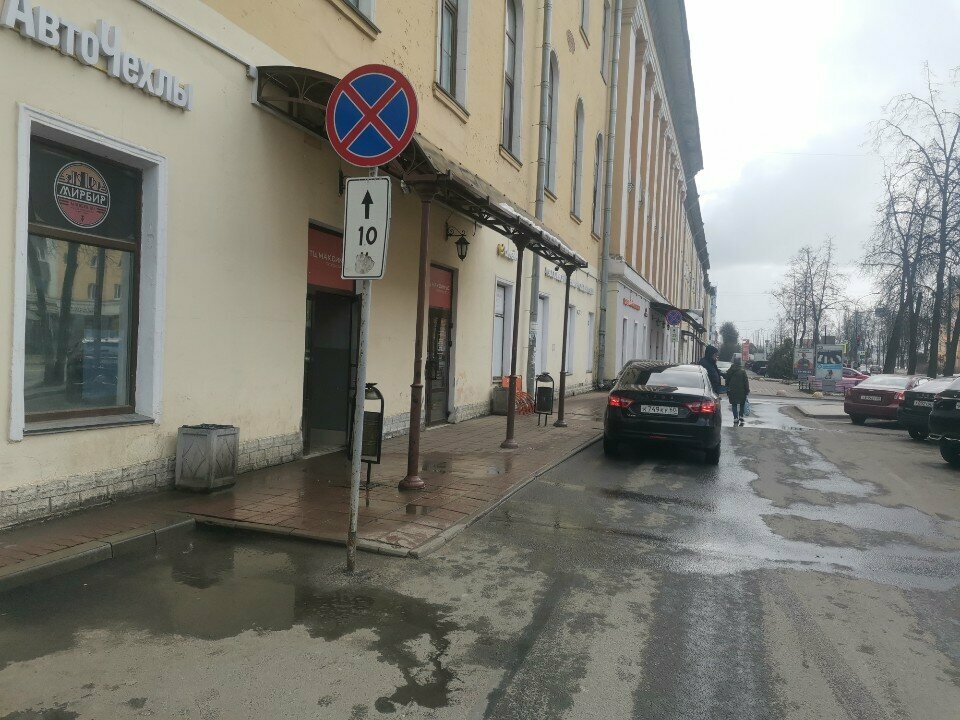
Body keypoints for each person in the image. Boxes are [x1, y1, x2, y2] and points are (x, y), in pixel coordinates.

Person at [726, 357, 750, 426]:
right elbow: (746, 382)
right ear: (739, 363)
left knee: (734, 404)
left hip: (732, 390)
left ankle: (735, 418)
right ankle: (741, 416)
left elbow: (727, 381)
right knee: (742, 403)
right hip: (741, 390)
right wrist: (747, 390)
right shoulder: (742, 371)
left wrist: (727, 389)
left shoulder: (730, 370)